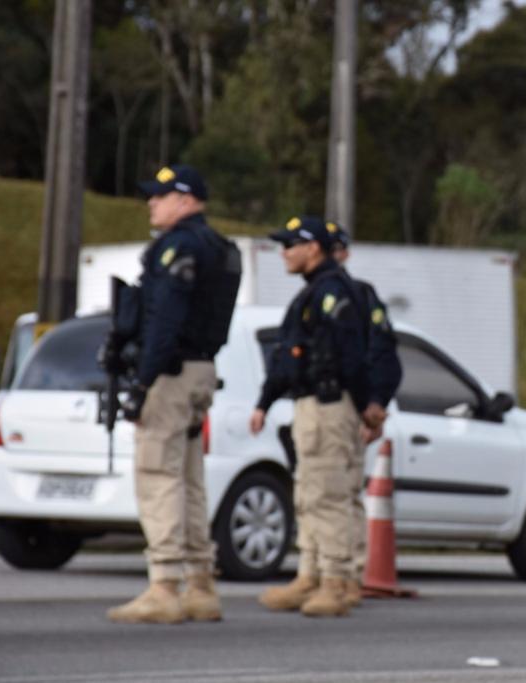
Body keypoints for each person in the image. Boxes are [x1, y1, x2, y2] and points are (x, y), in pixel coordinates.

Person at [105, 164, 238, 624]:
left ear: (184, 200)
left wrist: (142, 382)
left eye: (160, 196)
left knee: (158, 474)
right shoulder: (220, 247)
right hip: (201, 367)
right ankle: (201, 585)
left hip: (171, 371)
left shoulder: (178, 247)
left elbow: (164, 319)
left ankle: (163, 586)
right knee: (189, 478)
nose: (151, 203)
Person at [249, 216, 371, 617]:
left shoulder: (334, 293)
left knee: (329, 495)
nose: (284, 252)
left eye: (291, 245)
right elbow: (288, 357)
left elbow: (352, 356)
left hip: (328, 406)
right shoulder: (315, 292)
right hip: (312, 405)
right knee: (310, 494)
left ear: (313, 248)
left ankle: (335, 582)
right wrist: (265, 402)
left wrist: (366, 404)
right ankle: (312, 574)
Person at [328, 225, 402, 607]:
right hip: (332, 402)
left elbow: (381, 353)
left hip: (351, 406)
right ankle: (339, 573)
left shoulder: (359, 297)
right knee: (335, 494)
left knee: (341, 494)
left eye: (337, 249)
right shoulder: (325, 293)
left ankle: (348, 574)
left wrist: (374, 403)